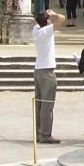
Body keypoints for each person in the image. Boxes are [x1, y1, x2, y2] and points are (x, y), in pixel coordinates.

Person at [33, 8, 60, 144]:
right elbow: (62, 19)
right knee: (47, 105)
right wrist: (53, 14)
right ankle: (45, 134)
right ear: (47, 21)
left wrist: (45, 16)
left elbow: (38, 21)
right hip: (47, 71)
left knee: (39, 103)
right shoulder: (46, 31)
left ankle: (39, 132)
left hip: (38, 69)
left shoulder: (36, 30)